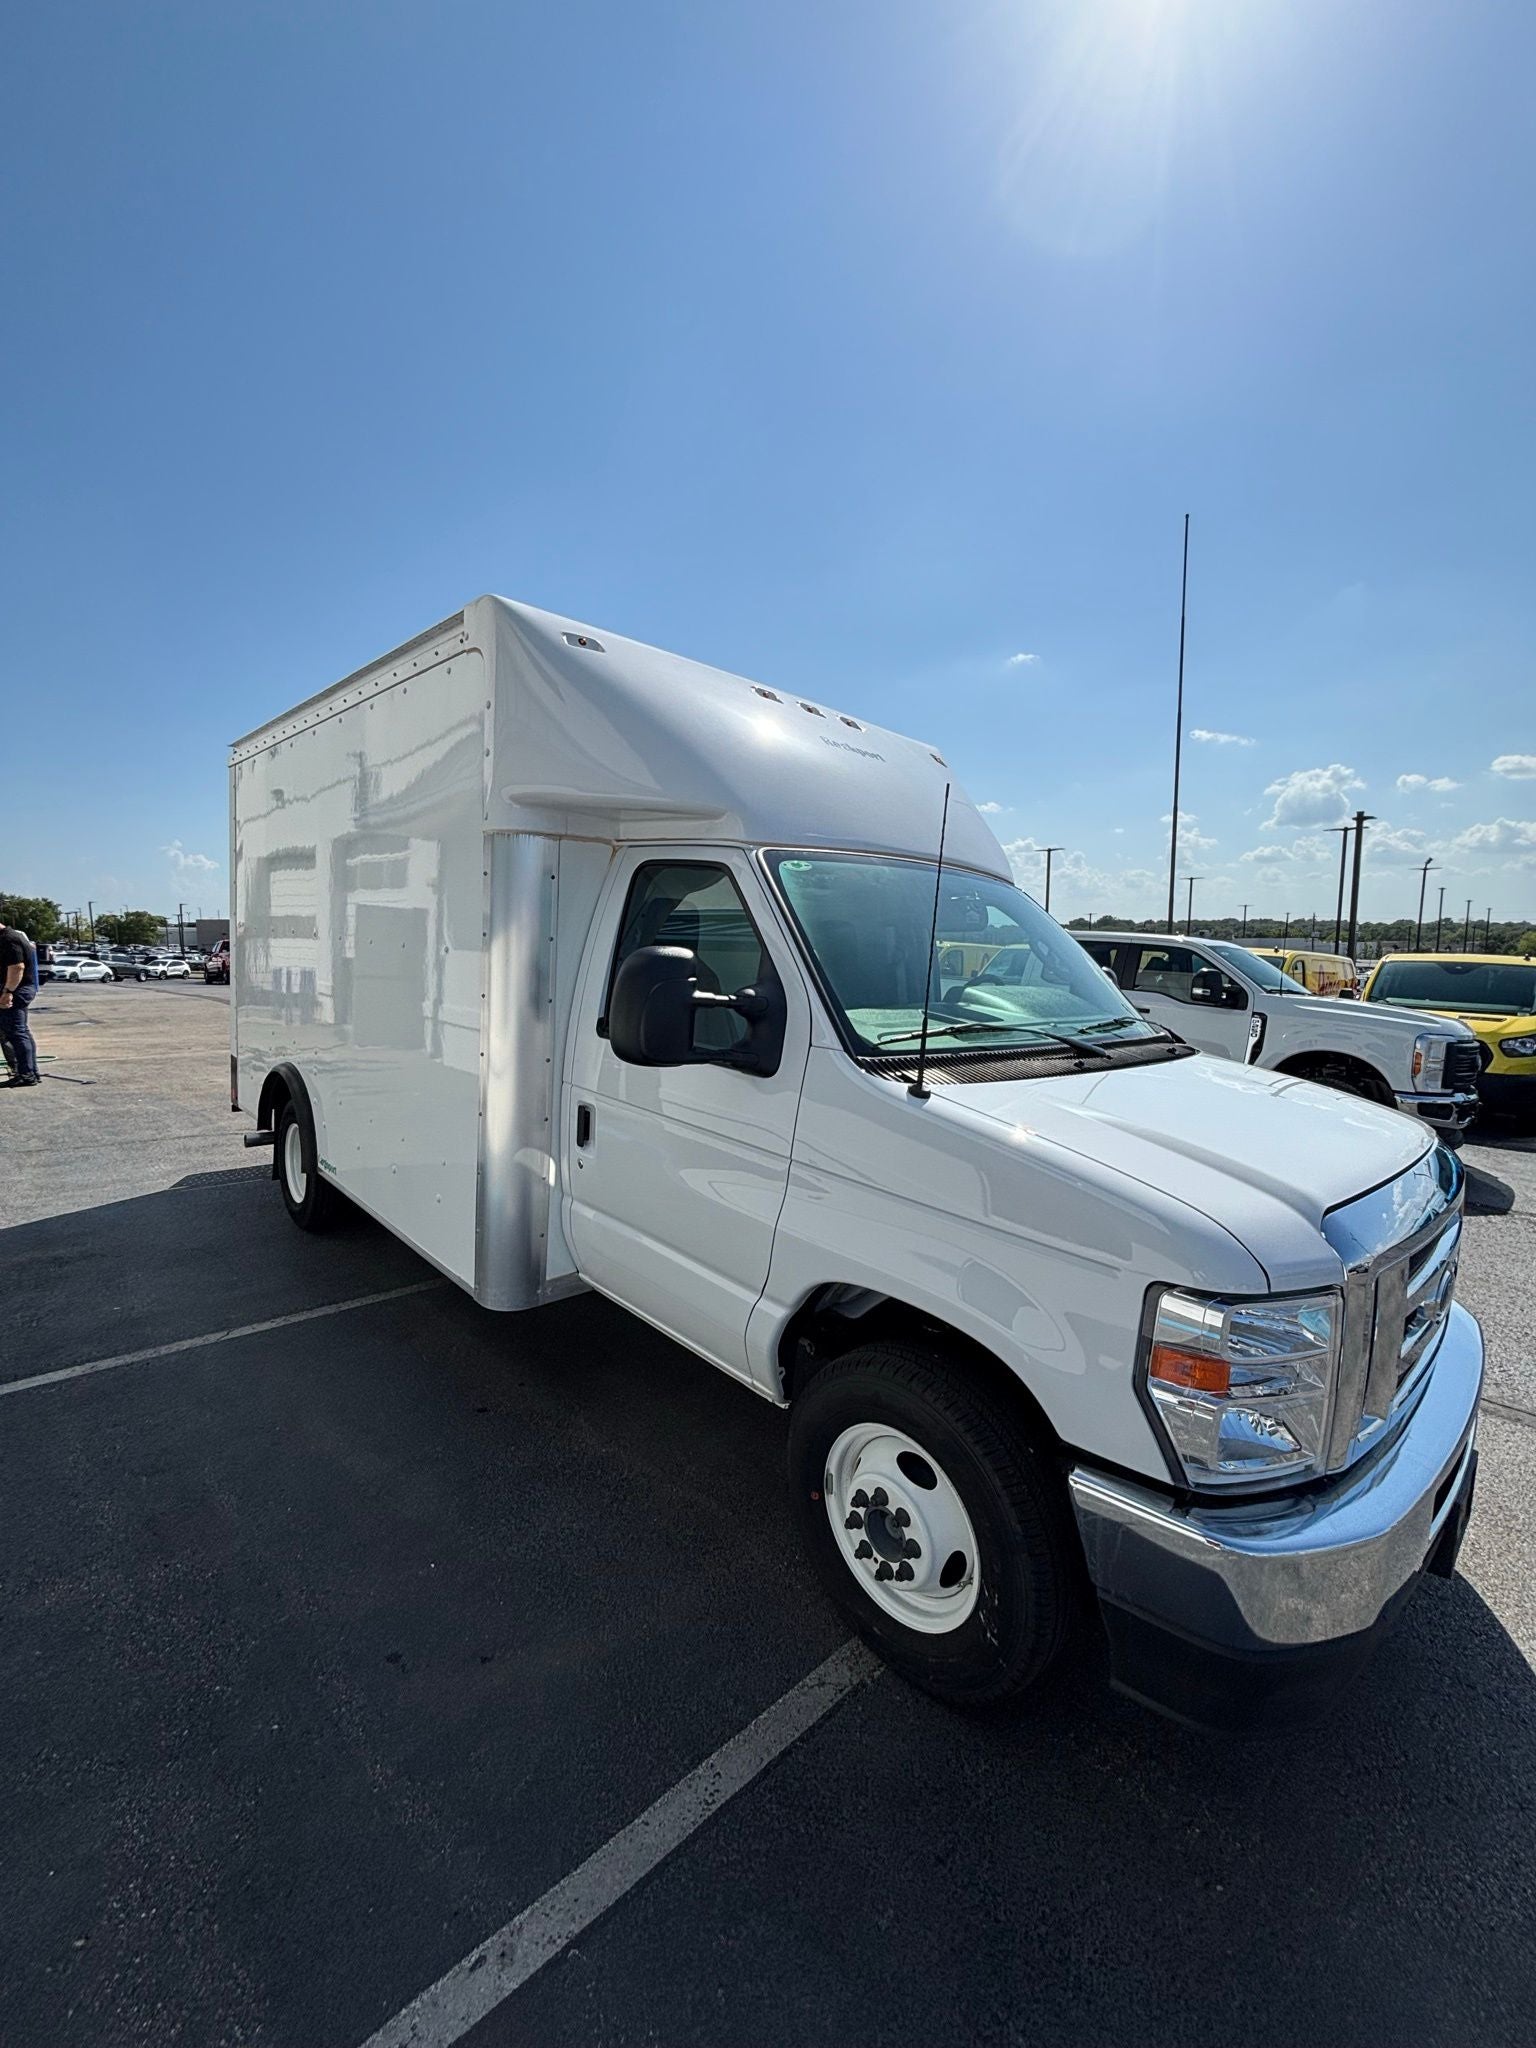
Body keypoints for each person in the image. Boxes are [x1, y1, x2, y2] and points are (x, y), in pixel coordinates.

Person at [0, 919, 41, 1087]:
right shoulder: (8, 937)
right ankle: (31, 1072)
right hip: (16, 988)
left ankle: (26, 1075)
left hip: (17, 989)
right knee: (19, 1031)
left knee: (16, 1032)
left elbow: (17, 967)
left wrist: (8, 992)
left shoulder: (9, 939)